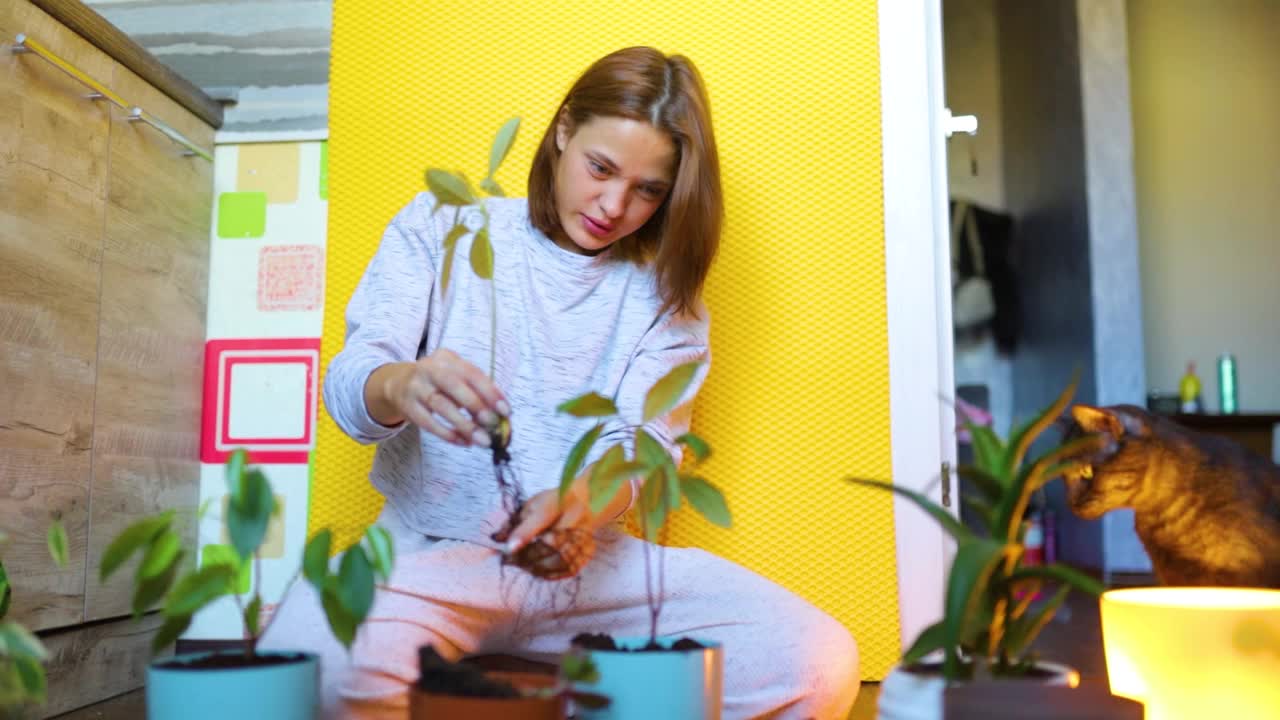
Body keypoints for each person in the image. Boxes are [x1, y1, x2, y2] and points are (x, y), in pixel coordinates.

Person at [260, 46, 859, 719]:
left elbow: (647, 447)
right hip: (425, 555)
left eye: (648, 190)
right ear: (564, 130)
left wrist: (579, 503)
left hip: (592, 574)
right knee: (304, 671)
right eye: (600, 169)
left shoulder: (667, 297)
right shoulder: (443, 223)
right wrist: (400, 386)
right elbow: (351, 384)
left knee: (815, 661)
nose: (613, 206)